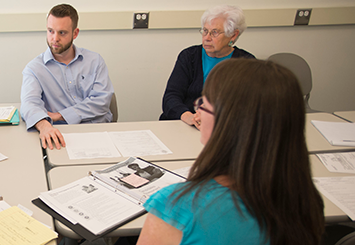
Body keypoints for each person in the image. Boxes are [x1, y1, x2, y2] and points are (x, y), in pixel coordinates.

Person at [136, 59, 325, 244]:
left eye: (204, 103)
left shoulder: (177, 206)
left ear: (228, 122)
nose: (198, 111)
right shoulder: (306, 201)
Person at [20, 3, 115, 150]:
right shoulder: (34, 69)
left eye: (62, 33)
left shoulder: (95, 61)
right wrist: (44, 125)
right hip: (61, 136)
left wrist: (60, 115)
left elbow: (102, 102)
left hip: (99, 132)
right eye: (50, 31)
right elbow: (29, 103)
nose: (55, 38)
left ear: (75, 33)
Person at [159, 5, 255, 129]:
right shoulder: (189, 56)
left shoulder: (247, 63)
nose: (207, 38)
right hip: (183, 124)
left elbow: (249, 106)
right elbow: (171, 97)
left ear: (233, 35)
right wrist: (189, 117)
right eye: (205, 31)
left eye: (214, 32)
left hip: (223, 129)